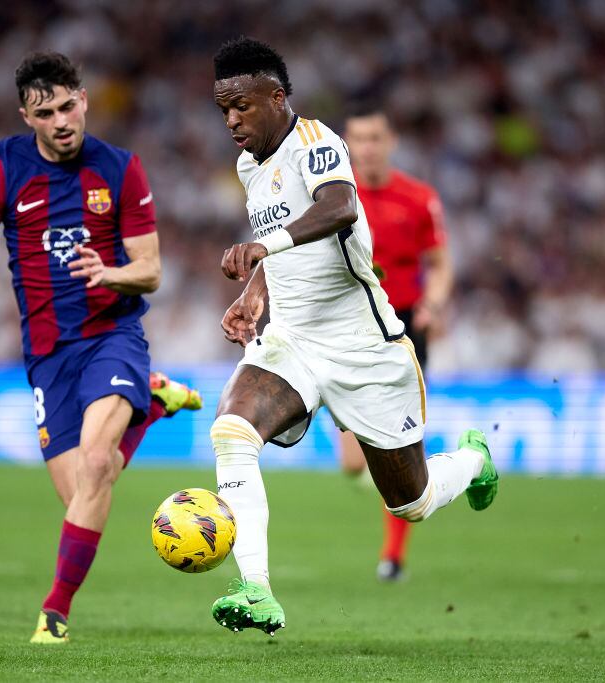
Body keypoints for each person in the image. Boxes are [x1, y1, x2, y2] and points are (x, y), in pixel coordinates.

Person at [208, 36, 498, 636]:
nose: (231, 120)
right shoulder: (248, 166)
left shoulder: (317, 143)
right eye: (223, 110)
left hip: (362, 344)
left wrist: (267, 244)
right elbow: (281, 248)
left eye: (241, 106)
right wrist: (254, 294)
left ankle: (473, 460)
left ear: (276, 96)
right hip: (291, 340)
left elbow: (338, 208)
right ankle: (255, 590)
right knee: (232, 432)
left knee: (410, 502)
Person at [0, 52, 200, 645]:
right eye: (46, 113)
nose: (62, 121)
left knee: (97, 464)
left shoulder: (121, 170)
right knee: (86, 492)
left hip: (111, 338)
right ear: (27, 117)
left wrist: (111, 274)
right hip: (47, 354)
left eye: (69, 106)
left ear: (85, 99)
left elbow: (150, 271)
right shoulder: (3, 166)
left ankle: (54, 612)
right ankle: (149, 403)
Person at [339, 104, 455, 582]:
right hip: (347, 326)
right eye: (359, 138)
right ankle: (386, 469)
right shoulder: (334, 195)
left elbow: (441, 263)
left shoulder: (418, 198)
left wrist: (434, 304)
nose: (367, 147)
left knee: (404, 449)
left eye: (375, 138)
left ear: (391, 142)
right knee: (351, 464)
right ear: (346, 143)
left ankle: (393, 557)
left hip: (406, 326)